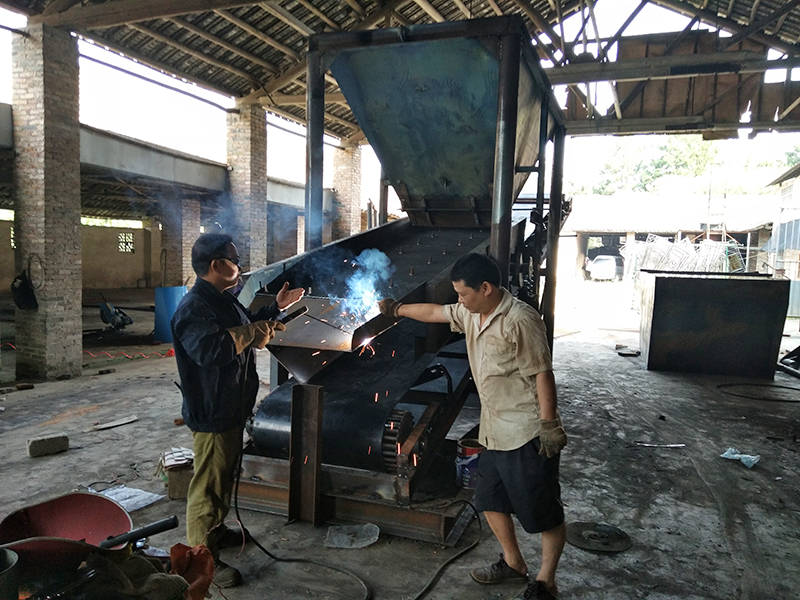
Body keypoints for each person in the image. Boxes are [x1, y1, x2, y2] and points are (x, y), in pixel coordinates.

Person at [378, 252, 568, 600]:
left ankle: (546, 581)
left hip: (526, 431)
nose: (459, 301)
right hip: (494, 428)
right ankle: (514, 563)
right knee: (489, 500)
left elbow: (542, 373)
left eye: (464, 294)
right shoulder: (472, 312)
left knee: (543, 511)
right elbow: (436, 313)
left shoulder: (520, 321)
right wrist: (396, 310)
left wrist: (549, 424)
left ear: (486, 288)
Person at [171, 232, 304, 588]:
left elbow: (243, 325)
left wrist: (276, 308)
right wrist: (255, 331)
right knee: (208, 488)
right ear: (216, 265)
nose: (239, 266)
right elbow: (211, 350)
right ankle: (199, 564)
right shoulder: (194, 307)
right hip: (212, 410)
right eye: (234, 260)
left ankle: (214, 533)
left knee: (223, 476)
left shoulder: (220, 298)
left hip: (229, 405)